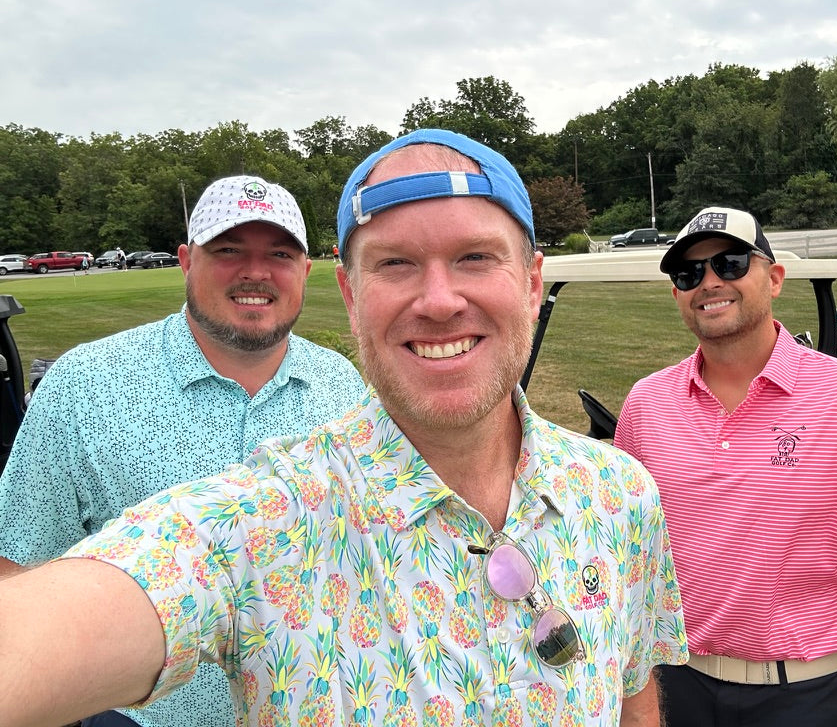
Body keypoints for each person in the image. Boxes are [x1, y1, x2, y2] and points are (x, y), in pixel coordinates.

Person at [0, 130, 687, 727]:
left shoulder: (621, 494)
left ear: (534, 283)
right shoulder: (261, 515)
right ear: (353, 296)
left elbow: (630, 692)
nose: (440, 300)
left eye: (476, 257)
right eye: (396, 263)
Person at [0, 174, 365, 727]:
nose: (256, 272)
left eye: (280, 254)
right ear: (186, 260)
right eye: (228, 250)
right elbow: (18, 566)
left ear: (304, 269)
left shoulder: (341, 385)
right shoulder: (86, 385)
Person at [614, 206, 837, 727]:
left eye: (731, 262)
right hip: (674, 689)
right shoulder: (646, 404)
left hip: (808, 696)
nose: (709, 282)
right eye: (688, 272)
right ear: (676, 293)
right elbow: (629, 565)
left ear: (775, 278)